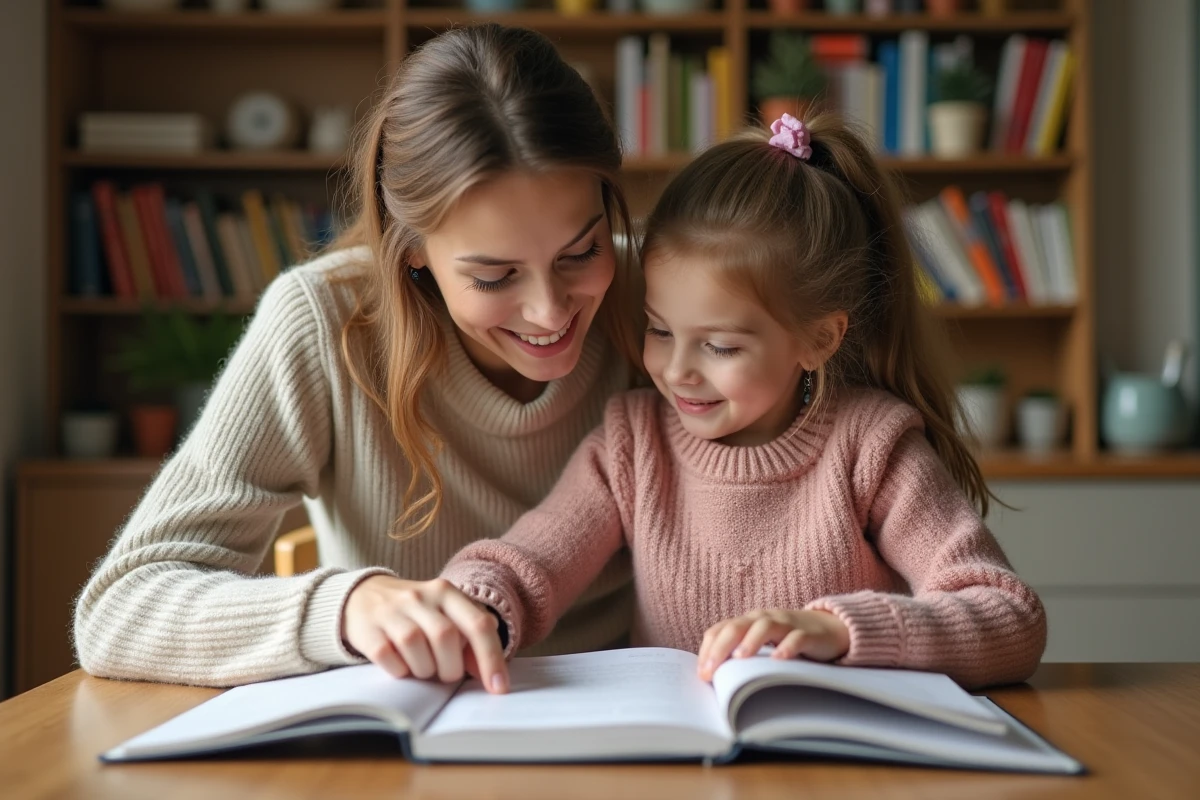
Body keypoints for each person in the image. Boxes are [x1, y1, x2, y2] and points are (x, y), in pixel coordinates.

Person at [72, 24, 644, 689]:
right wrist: (345, 608)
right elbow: (118, 610)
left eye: (581, 254)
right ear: (412, 250)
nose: (550, 312)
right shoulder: (324, 324)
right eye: (494, 277)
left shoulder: (664, 307)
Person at [436, 113, 1047, 694]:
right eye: (660, 329)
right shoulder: (634, 443)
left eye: (720, 346)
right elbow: (531, 559)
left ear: (818, 340)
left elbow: (1009, 614)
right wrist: (472, 602)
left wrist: (842, 629)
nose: (676, 372)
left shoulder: (872, 448)